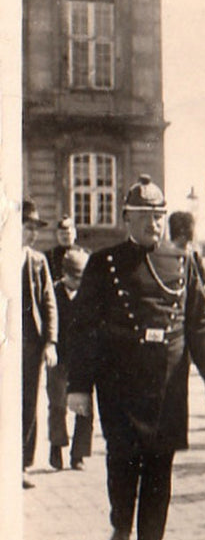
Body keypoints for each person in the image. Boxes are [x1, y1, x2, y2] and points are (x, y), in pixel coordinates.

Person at [66, 176, 205, 540]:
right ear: (126, 218)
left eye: (159, 215)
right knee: (122, 458)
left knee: (160, 461)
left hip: (166, 378)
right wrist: (79, 386)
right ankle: (121, 526)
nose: (155, 223)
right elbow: (83, 327)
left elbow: (199, 320)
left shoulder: (181, 261)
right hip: (118, 377)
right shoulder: (104, 264)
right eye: (146, 216)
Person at [21, 200, 60, 487]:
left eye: (35, 228)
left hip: (30, 344)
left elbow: (49, 304)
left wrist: (51, 342)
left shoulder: (37, 261)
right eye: (27, 227)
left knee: (28, 402)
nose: (32, 234)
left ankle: (22, 464)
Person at [47, 248, 94, 471]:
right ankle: (56, 446)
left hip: (83, 360)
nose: (79, 282)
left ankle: (79, 454)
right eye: (75, 277)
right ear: (65, 274)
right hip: (59, 358)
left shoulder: (90, 294)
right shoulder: (53, 293)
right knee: (57, 404)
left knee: (84, 406)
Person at [45, 214, 85, 288]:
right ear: (56, 235)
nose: (65, 237)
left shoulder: (84, 254)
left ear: (75, 234)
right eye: (62, 234)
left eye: (68, 233)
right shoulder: (48, 256)